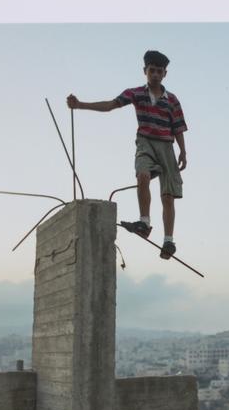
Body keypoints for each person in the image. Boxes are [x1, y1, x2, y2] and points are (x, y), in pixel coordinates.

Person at [66, 50, 188, 260]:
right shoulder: (136, 93)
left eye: (159, 71)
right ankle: (144, 222)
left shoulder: (172, 100)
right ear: (145, 71)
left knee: (168, 196)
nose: (155, 75)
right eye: (152, 71)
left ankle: (169, 241)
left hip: (167, 147)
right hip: (145, 143)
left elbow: (177, 127)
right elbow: (111, 105)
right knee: (142, 175)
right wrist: (80, 105)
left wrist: (183, 151)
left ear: (165, 74)